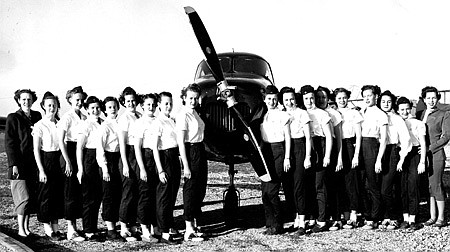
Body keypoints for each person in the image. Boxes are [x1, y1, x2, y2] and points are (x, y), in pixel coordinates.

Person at [5, 89, 41, 238]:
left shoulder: (37, 116)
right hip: (18, 164)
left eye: (29, 99)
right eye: (24, 99)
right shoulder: (13, 118)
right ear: (19, 100)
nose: (27, 101)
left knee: (31, 198)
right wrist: (13, 164)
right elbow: (10, 143)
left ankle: (26, 229)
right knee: (23, 197)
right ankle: (20, 229)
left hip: (33, 163)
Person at [258, 85, 291, 235]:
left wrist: (287, 157)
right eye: (269, 99)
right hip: (265, 151)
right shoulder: (262, 115)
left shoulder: (282, 115)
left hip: (278, 150)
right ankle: (269, 223)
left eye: (274, 99)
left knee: (272, 191)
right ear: (264, 99)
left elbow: (288, 138)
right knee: (265, 191)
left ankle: (278, 224)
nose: (271, 101)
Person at [176, 84, 208, 241]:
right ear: (184, 98)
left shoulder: (195, 113)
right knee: (190, 190)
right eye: (190, 98)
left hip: (200, 149)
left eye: (196, 98)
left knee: (200, 189)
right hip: (190, 150)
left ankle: (194, 225)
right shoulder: (183, 115)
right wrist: (186, 166)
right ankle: (188, 229)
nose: (193, 101)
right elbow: (181, 143)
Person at [279, 87, 311, 236]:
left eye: (291, 99)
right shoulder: (282, 113)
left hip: (299, 147)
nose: (289, 102)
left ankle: (303, 222)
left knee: (299, 186)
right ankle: (296, 218)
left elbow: (308, 137)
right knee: (288, 186)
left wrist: (307, 157)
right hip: (286, 148)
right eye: (286, 100)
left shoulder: (302, 113)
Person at [300, 85, 332, 233]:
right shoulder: (301, 113)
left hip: (320, 146)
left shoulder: (322, 114)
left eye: (312, 98)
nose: (310, 101)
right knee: (309, 185)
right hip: (307, 148)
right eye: (306, 98)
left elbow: (329, 137)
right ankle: (312, 217)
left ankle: (322, 220)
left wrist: (327, 156)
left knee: (320, 186)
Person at [33, 92, 65, 240]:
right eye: (49, 105)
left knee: (57, 194)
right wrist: (41, 170)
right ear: (43, 107)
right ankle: (48, 230)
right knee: (46, 195)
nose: (52, 108)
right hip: (45, 160)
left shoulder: (59, 123)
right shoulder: (40, 125)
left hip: (58, 160)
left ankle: (56, 228)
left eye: (54, 105)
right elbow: (36, 149)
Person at [377, 91, 411, 230]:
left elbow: (405, 139)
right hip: (377, 151)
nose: (386, 104)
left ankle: (394, 217)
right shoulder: (376, 116)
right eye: (383, 101)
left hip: (392, 152)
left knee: (387, 188)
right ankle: (385, 216)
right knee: (379, 187)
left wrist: (401, 158)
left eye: (389, 102)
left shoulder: (397, 119)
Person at [152, 92, 183, 244]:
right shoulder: (158, 122)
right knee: (163, 197)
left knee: (172, 195)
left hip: (173, 158)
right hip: (164, 158)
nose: (168, 106)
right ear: (159, 105)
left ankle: (168, 225)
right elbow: (154, 147)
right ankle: (163, 233)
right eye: (165, 103)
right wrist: (160, 170)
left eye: (170, 103)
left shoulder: (171, 121)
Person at [57, 86, 87, 241]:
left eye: (82, 100)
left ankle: (78, 227)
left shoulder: (83, 115)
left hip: (80, 152)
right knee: (70, 192)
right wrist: (68, 161)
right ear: (69, 100)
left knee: (79, 192)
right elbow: (60, 140)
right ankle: (70, 229)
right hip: (69, 152)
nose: (80, 102)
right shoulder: (67, 117)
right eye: (77, 100)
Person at [419, 86, 450, 228]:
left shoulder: (444, 113)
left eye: (434, 97)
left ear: (438, 98)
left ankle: (441, 217)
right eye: (428, 98)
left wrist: (428, 149)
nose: (431, 100)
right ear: (424, 99)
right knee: (430, 187)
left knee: (437, 185)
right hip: (422, 156)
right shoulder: (422, 113)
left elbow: (446, 137)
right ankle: (432, 217)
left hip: (435, 154)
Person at [334, 88, 363, 229]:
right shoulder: (333, 113)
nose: (342, 100)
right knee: (340, 182)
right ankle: (344, 214)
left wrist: (356, 155)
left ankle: (353, 214)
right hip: (337, 148)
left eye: (344, 98)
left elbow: (359, 135)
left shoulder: (354, 113)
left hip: (350, 146)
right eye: (339, 98)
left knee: (352, 182)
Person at [96, 97, 125, 241]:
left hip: (119, 158)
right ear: (104, 110)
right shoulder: (104, 126)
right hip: (108, 161)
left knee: (118, 193)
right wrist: (105, 168)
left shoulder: (120, 123)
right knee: (108, 195)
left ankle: (119, 226)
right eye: (109, 107)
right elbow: (100, 149)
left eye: (114, 106)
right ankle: (110, 230)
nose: (112, 109)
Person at [316, 86, 344, 231]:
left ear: (329, 99)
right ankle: (323, 217)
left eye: (324, 97)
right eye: (319, 97)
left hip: (331, 151)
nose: (321, 100)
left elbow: (338, 138)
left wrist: (339, 157)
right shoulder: (314, 112)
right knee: (321, 185)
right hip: (318, 151)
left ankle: (337, 218)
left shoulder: (334, 114)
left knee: (334, 185)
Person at [360, 85, 388, 230]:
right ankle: (367, 214)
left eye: (369, 95)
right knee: (362, 183)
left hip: (373, 147)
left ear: (376, 96)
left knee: (373, 184)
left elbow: (383, 139)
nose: (367, 98)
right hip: (361, 147)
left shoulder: (381, 114)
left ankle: (375, 217)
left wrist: (378, 159)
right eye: (364, 96)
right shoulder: (362, 111)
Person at [76, 96, 104, 241]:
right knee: (89, 197)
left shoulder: (103, 123)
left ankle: (93, 227)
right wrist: (81, 169)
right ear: (87, 109)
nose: (95, 110)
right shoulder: (85, 124)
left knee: (98, 196)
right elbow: (79, 148)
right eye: (92, 108)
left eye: (98, 107)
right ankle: (88, 230)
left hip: (101, 158)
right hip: (89, 158)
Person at [396, 97, 426, 230]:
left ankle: (413, 219)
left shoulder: (418, 123)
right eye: (402, 109)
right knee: (402, 188)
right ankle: (405, 218)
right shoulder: (396, 122)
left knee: (413, 186)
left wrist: (422, 162)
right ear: (398, 110)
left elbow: (423, 143)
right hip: (400, 154)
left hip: (414, 154)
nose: (405, 111)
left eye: (407, 108)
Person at [133, 93, 159, 242]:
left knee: (156, 194)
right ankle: (144, 230)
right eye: (148, 104)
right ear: (142, 106)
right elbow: (137, 147)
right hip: (145, 158)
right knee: (145, 195)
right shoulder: (139, 123)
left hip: (157, 158)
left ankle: (155, 227)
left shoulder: (158, 121)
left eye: (153, 104)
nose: (151, 107)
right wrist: (142, 168)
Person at [117, 87, 142, 241]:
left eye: (133, 100)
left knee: (137, 191)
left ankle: (133, 224)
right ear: (123, 103)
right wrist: (125, 164)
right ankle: (123, 227)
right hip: (128, 154)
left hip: (139, 153)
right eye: (128, 101)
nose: (131, 103)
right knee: (127, 192)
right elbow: (121, 143)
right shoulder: (123, 119)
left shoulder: (140, 116)